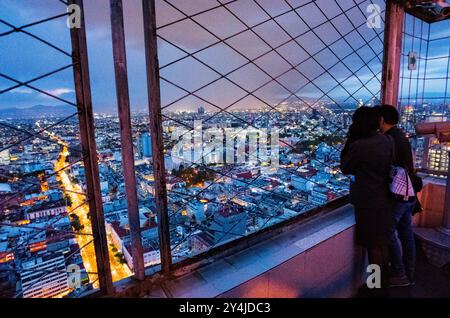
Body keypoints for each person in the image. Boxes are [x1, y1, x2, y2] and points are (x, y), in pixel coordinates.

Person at [341, 107, 395, 294]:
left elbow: (345, 168)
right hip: (385, 198)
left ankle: (375, 287)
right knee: (382, 243)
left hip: (367, 202)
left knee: (372, 247)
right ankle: (383, 284)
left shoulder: (360, 145)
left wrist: (350, 140)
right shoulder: (387, 140)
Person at [377, 105, 418, 287]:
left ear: (382, 119)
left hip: (398, 194)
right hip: (409, 192)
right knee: (406, 233)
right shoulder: (400, 135)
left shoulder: (389, 138)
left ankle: (399, 274)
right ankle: (409, 273)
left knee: (387, 231)